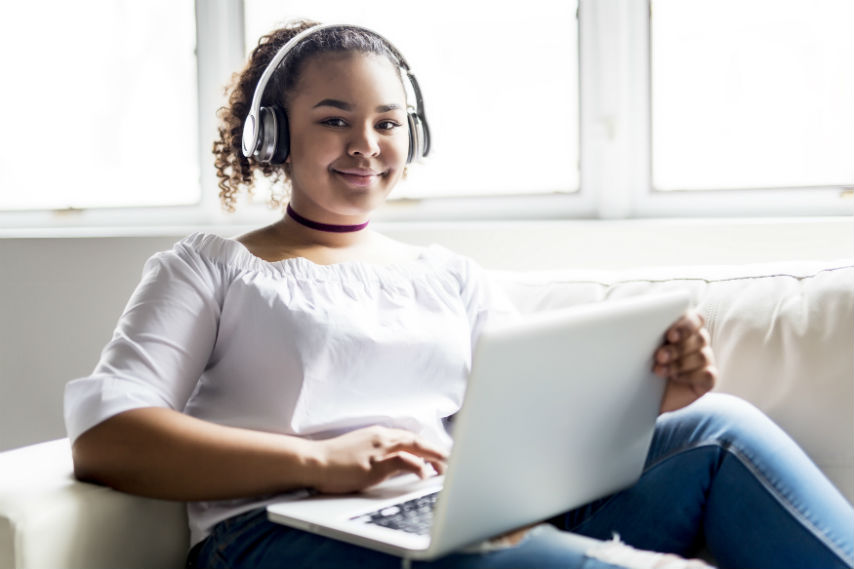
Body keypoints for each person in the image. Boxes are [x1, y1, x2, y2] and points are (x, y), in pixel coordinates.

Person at [64, 20, 854, 569]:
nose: (366, 144)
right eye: (334, 119)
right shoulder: (209, 269)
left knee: (716, 426)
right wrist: (320, 460)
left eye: (388, 121)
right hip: (275, 535)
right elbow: (108, 435)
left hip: (444, 514)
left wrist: (652, 395)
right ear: (274, 136)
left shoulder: (448, 276)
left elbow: (535, 431)